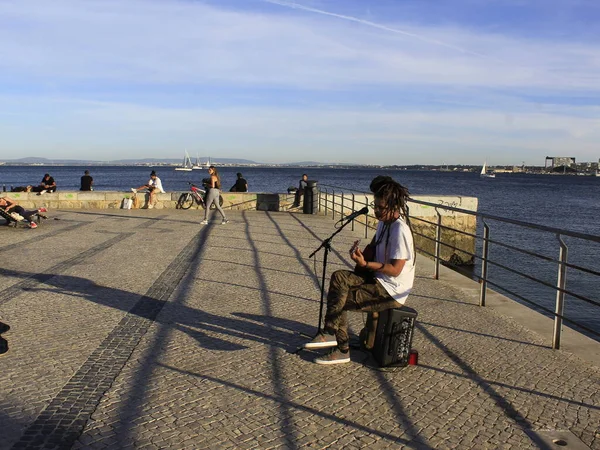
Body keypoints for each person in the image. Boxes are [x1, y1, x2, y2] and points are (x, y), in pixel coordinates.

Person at [302, 178, 416, 365]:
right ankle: (331, 332)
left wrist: (366, 264)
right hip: (378, 280)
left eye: (380, 207)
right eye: (375, 206)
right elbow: (373, 249)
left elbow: (395, 270)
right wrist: (361, 256)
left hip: (391, 290)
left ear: (393, 206)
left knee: (341, 300)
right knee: (339, 278)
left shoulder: (399, 230)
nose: (376, 211)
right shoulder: (383, 224)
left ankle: (341, 347)